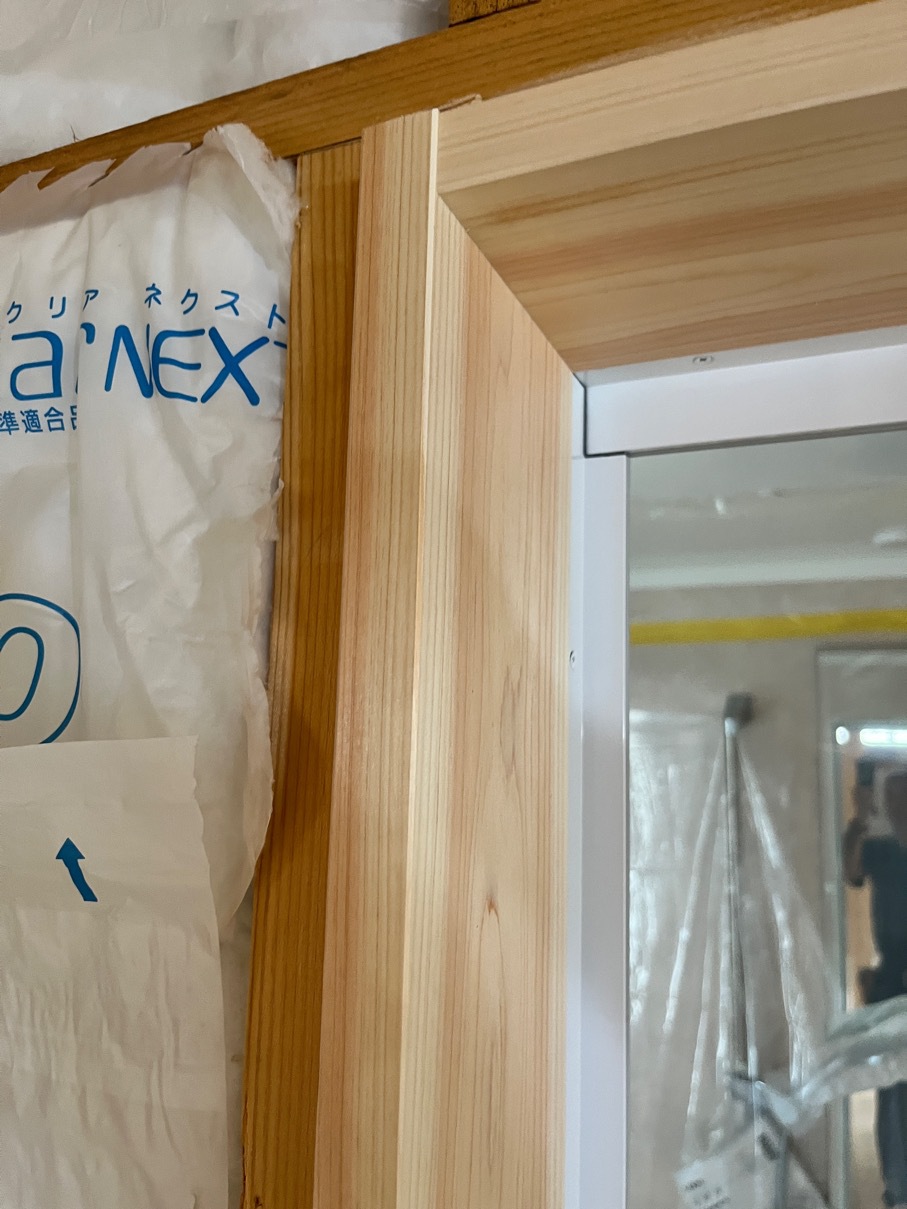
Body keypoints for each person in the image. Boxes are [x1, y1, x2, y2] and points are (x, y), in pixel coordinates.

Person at [844, 769, 907, 1209]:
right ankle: (899, 1188)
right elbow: (850, 872)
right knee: (891, 1087)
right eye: (891, 797)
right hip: (890, 980)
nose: (898, 805)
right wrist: (859, 819)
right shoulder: (878, 847)